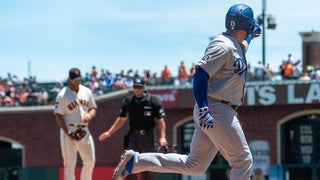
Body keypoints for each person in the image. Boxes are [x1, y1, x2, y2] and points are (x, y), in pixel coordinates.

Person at [111, 4, 261, 180]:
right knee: (242, 160)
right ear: (246, 24)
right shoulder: (223, 46)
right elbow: (200, 74)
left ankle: (135, 161)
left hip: (215, 107)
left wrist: (250, 36)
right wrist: (204, 108)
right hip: (216, 108)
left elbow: (241, 47)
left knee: (195, 165)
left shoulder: (234, 45)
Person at [99, 78, 167, 180]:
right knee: (128, 162)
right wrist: (109, 132)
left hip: (148, 137)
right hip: (133, 137)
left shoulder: (153, 100)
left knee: (149, 165)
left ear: (144, 87)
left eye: (139, 87)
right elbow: (121, 119)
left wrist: (163, 137)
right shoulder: (128, 101)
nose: (137, 90)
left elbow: (160, 120)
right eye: (135, 87)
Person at [54, 67, 97, 180]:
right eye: (75, 79)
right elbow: (58, 116)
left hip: (84, 130)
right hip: (70, 129)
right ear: (69, 79)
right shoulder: (62, 95)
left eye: (79, 79)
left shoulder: (86, 91)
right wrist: (66, 132)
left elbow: (93, 108)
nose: (78, 81)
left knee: (90, 161)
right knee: (70, 164)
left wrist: (89, 115)